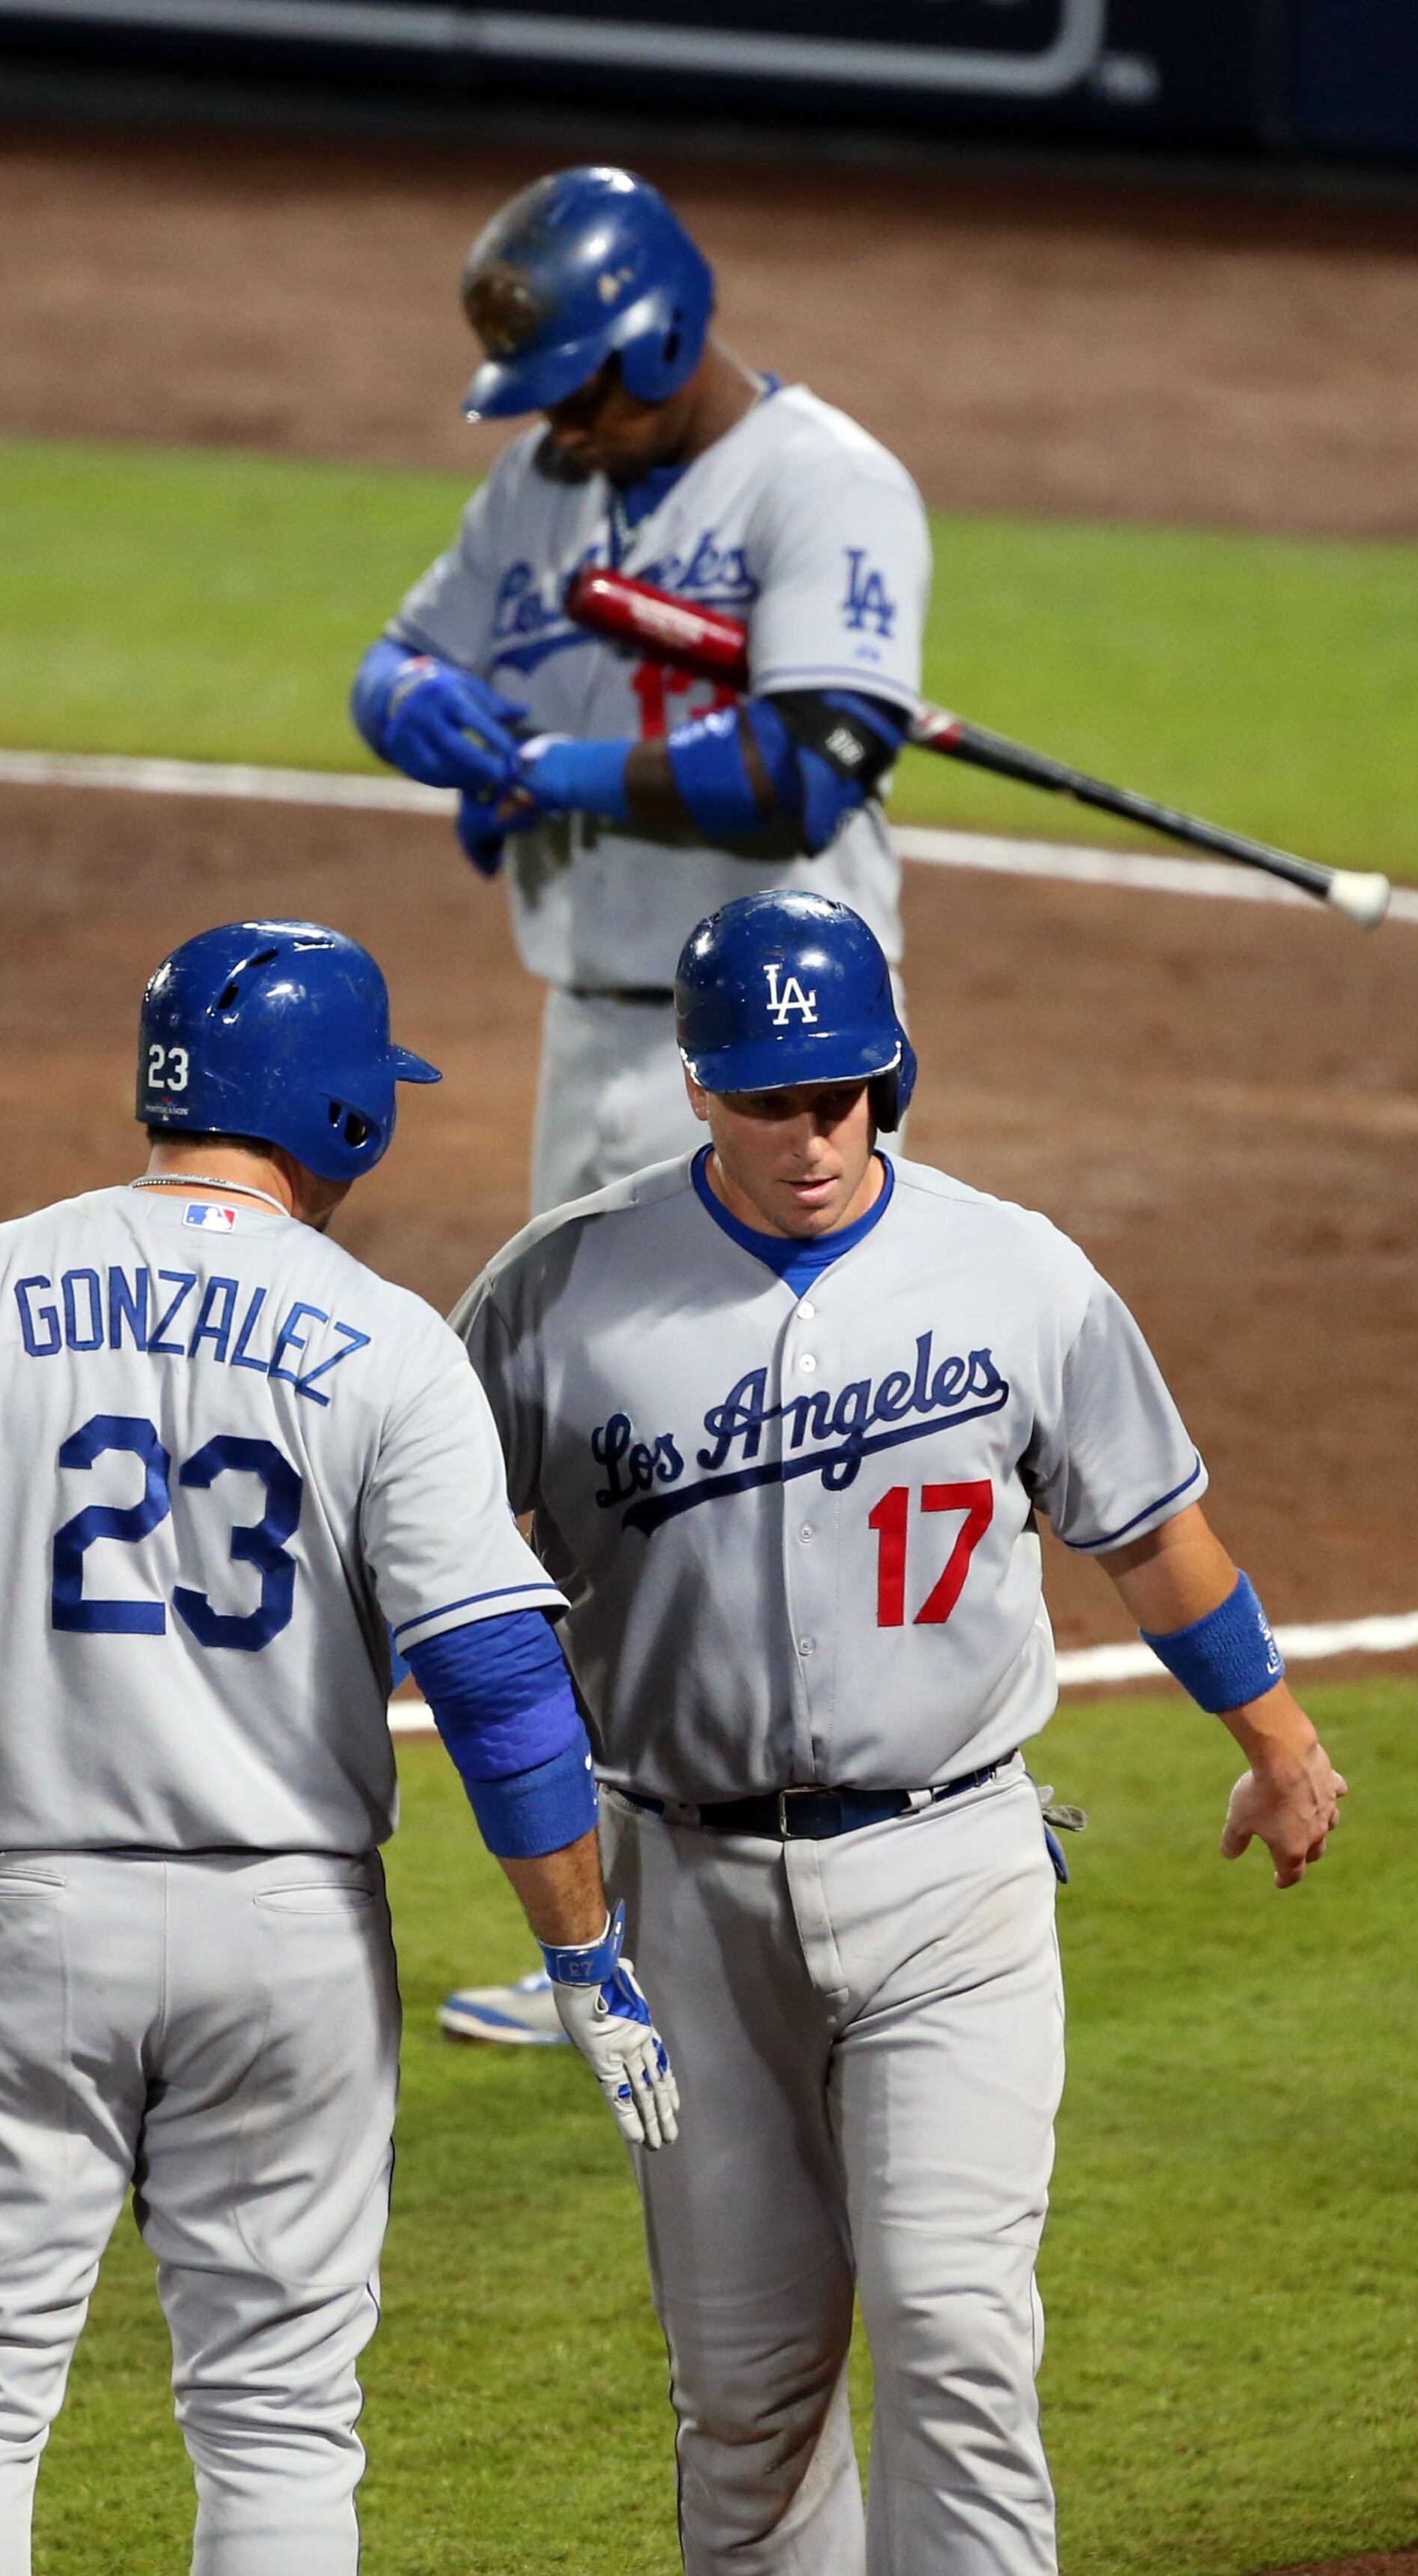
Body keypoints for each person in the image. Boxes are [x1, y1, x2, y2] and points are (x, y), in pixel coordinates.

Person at [0, 920, 677, 2576]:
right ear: (343, 1119)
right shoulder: (388, 1344)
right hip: (288, 1939)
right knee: (280, 2419)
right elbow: (502, 1685)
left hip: (21, 1923)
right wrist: (583, 1953)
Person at [449, 888, 1349, 2574]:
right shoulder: (556, 1292)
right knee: (746, 2395)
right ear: (699, 1083)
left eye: (844, 1096)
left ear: (893, 1078)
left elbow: (1150, 1530)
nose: (813, 1136)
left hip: (957, 1873)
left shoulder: (1015, 1270)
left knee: (957, 2334)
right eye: (775, 1099)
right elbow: (421, 1556)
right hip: (692, 1895)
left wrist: (1278, 1735)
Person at [348, 164, 935, 2048]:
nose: (564, 431)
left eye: (585, 390)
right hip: (600, 1035)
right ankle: (625, 1910)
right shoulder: (551, 482)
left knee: (754, 1469)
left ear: (668, 337)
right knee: (605, 1471)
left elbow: (795, 772)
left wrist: (559, 762)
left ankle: (794, 1883)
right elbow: (410, 645)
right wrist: (411, 709)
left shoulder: (825, 486)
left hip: (779, 1060)